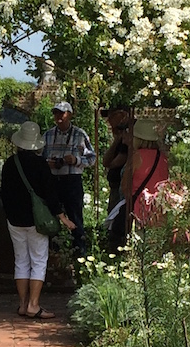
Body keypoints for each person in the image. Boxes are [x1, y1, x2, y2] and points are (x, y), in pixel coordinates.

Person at [0, 121, 72, 319]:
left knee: (21, 260)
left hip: (14, 219)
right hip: (36, 221)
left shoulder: (9, 163)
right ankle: (34, 305)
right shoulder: (40, 164)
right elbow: (50, 194)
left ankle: (22, 304)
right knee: (39, 260)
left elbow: (4, 193)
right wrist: (62, 217)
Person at [42, 99, 96, 257]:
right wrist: (48, 164)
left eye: (62, 113)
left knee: (75, 217)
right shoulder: (48, 135)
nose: (59, 116)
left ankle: (79, 254)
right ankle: (53, 254)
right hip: (53, 181)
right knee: (52, 217)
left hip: (72, 180)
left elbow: (92, 158)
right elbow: (39, 158)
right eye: (56, 113)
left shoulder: (80, 135)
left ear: (69, 115)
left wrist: (76, 160)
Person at [101, 103, 134, 251]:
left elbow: (113, 162)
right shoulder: (120, 136)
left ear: (122, 115)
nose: (109, 121)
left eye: (112, 117)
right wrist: (116, 140)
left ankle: (118, 250)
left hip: (124, 187)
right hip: (115, 185)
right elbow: (105, 161)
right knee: (112, 218)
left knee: (118, 221)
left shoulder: (130, 134)